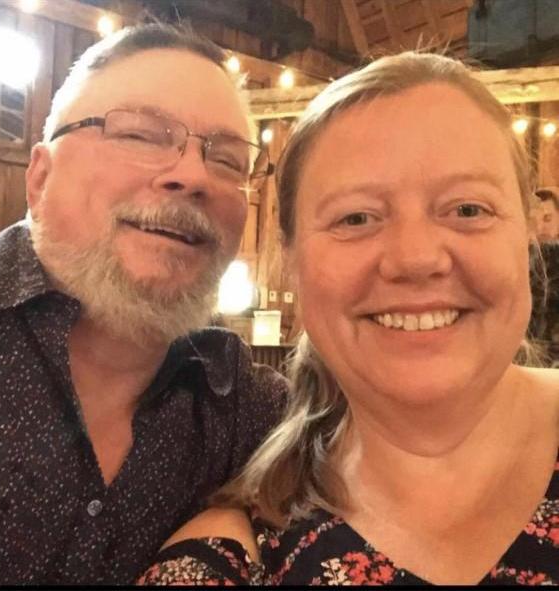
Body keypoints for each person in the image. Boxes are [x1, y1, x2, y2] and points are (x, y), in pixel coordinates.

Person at [139, 51, 559, 586]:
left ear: (529, 234)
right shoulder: (231, 564)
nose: (415, 258)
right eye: (356, 218)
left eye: (467, 210)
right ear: (292, 261)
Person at [0, 23, 286, 585]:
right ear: (40, 178)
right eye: (139, 135)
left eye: (228, 161)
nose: (193, 176)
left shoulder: (249, 409)